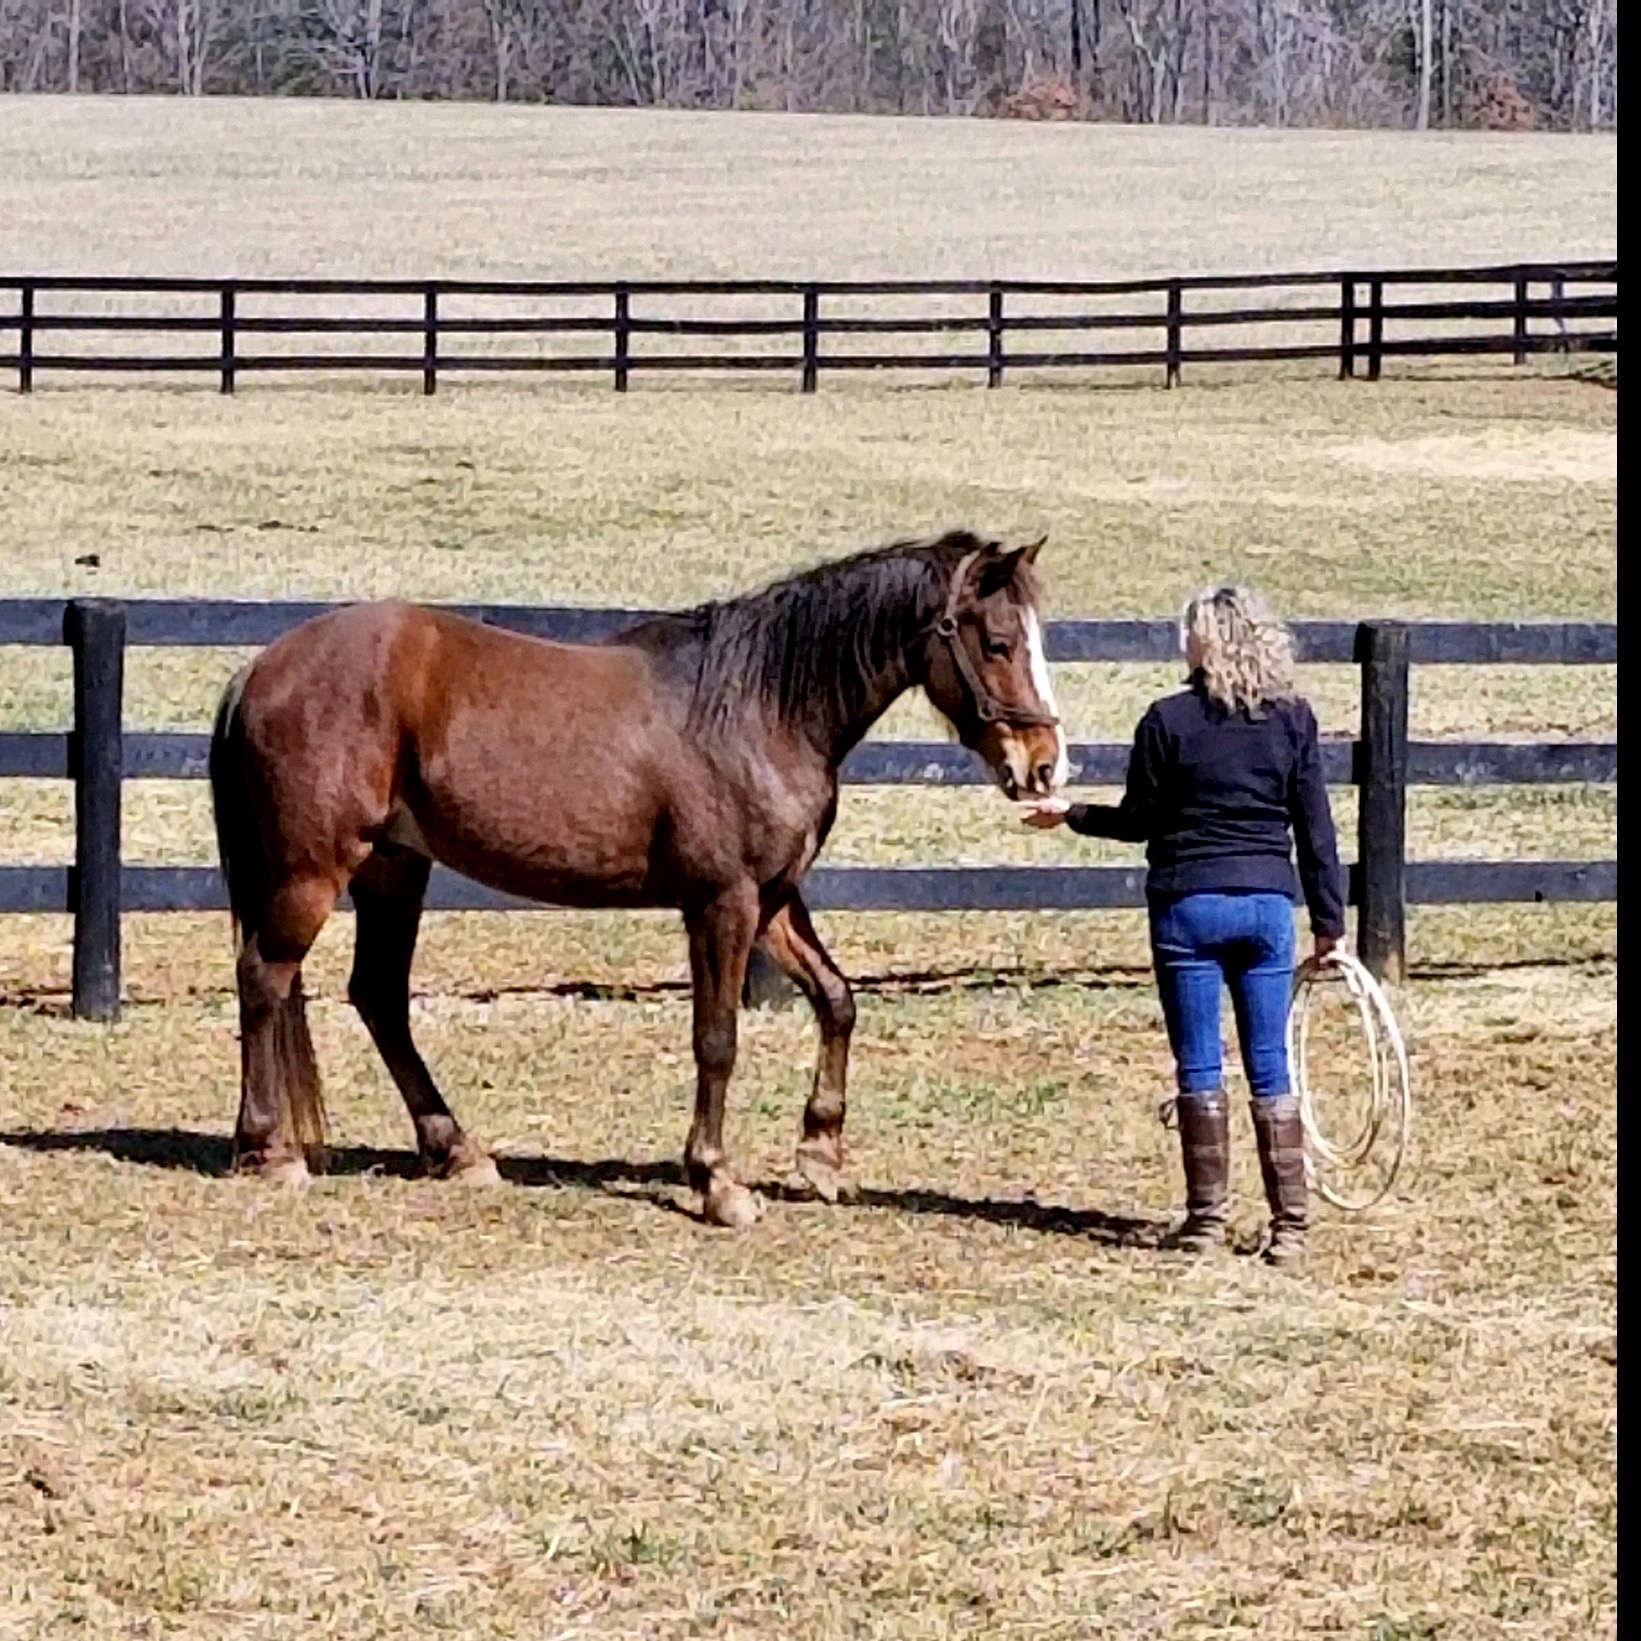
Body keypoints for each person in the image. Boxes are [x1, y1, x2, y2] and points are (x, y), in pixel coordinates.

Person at [1022, 585, 1345, 1266]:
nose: (1180, 641)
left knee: (1199, 1063)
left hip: (1186, 907)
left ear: (1206, 642)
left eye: (1188, 631)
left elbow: (1139, 820)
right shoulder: (1293, 719)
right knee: (1268, 1064)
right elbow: (1315, 828)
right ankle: (1290, 1226)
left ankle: (1204, 1221)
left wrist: (1072, 814)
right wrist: (1328, 922)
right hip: (1263, 907)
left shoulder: (1165, 720)